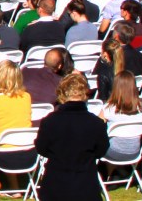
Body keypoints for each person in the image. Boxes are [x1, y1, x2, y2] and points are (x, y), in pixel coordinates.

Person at [37, 73, 109, 201]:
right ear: (85, 94)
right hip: (86, 186)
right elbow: (101, 150)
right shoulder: (96, 123)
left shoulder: (49, 122)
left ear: (62, 94)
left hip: (56, 187)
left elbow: (42, 149)